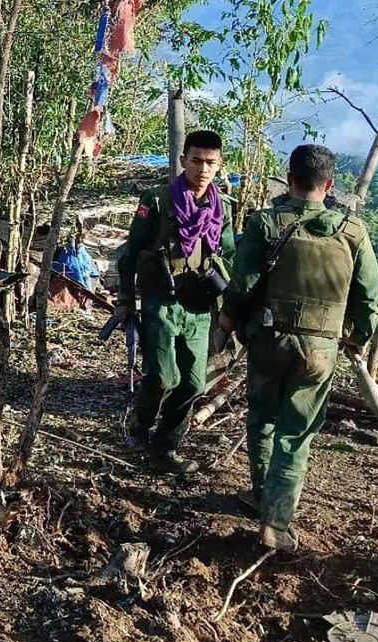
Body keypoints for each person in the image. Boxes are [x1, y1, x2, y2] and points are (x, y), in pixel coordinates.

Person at [219, 144, 378, 551]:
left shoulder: (265, 223)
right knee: (296, 434)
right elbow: (369, 299)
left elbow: (242, 283)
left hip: (269, 340)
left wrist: (229, 318)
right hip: (320, 349)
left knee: (262, 419)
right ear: (330, 185)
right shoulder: (353, 232)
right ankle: (276, 523)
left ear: (289, 180)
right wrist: (358, 337)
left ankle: (262, 494)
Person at [115, 130, 236, 474]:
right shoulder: (157, 200)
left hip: (199, 305)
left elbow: (229, 256)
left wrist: (231, 302)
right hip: (161, 301)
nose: (203, 169)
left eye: (210, 162)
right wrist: (125, 299)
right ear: (183, 160)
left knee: (194, 383)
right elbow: (131, 253)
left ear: (219, 164)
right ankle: (139, 425)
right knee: (163, 378)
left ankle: (166, 446)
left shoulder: (222, 208)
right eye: (196, 160)